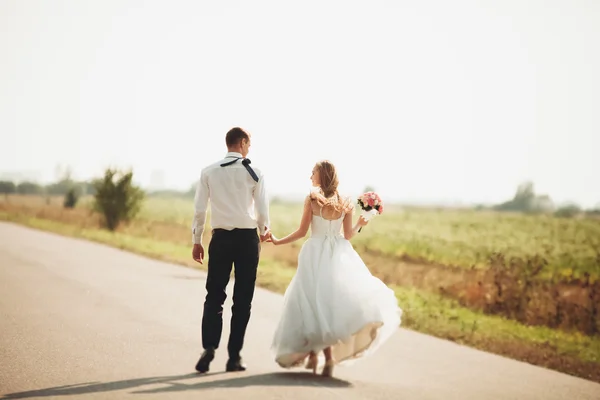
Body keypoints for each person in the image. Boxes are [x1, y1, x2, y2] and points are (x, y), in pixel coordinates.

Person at [266, 160, 402, 377]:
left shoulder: (311, 200)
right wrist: (360, 224)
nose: (310, 176)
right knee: (327, 303)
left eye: (313, 173)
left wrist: (277, 241)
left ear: (322, 176)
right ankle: (321, 358)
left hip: (314, 253)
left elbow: (302, 232)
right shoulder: (346, 202)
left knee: (310, 301)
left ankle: (319, 355)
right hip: (338, 255)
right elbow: (347, 236)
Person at [191, 127, 271, 373]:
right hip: (247, 240)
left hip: (221, 238)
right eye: (249, 143)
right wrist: (264, 231)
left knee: (214, 295)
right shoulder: (254, 172)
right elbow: (262, 209)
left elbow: (200, 210)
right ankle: (234, 356)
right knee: (242, 300)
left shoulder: (209, 172)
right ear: (243, 142)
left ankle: (209, 348)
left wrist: (197, 240)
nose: (250, 148)